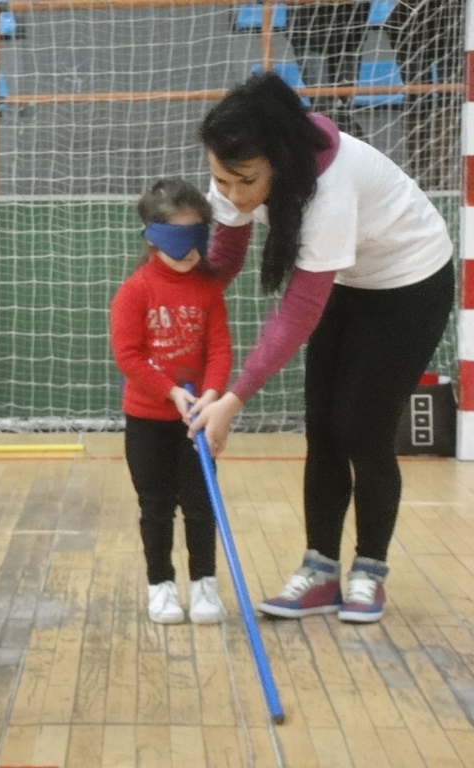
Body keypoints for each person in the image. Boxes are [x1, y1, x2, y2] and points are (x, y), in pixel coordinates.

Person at [191, 72, 454, 624]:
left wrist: (233, 400)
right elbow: (228, 253)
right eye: (223, 179)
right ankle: (320, 571)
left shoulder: (332, 189)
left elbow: (298, 313)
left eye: (246, 181)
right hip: (348, 278)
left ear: (281, 160)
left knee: (362, 428)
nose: (233, 193)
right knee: (322, 426)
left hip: (409, 282)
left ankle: (370, 572)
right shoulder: (237, 166)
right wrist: (184, 295)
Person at [110, 178, 232, 625]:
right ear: (154, 237)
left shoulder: (208, 289)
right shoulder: (135, 291)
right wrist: (171, 390)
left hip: (196, 422)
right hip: (148, 421)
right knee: (156, 506)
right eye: (180, 240)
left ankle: (204, 587)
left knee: (202, 506)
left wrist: (213, 397)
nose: (192, 252)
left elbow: (219, 348)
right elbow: (128, 355)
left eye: (198, 239)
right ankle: (160, 586)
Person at [384, 0, 464, 191]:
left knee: (449, 95)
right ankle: (422, 173)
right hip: (408, 16)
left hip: (448, 15)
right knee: (416, 97)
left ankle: (442, 173)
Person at [285, 0, 370, 138]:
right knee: (324, 106)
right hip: (308, 35)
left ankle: (347, 147)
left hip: (351, 34)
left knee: (343, 105)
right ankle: (355, 143)